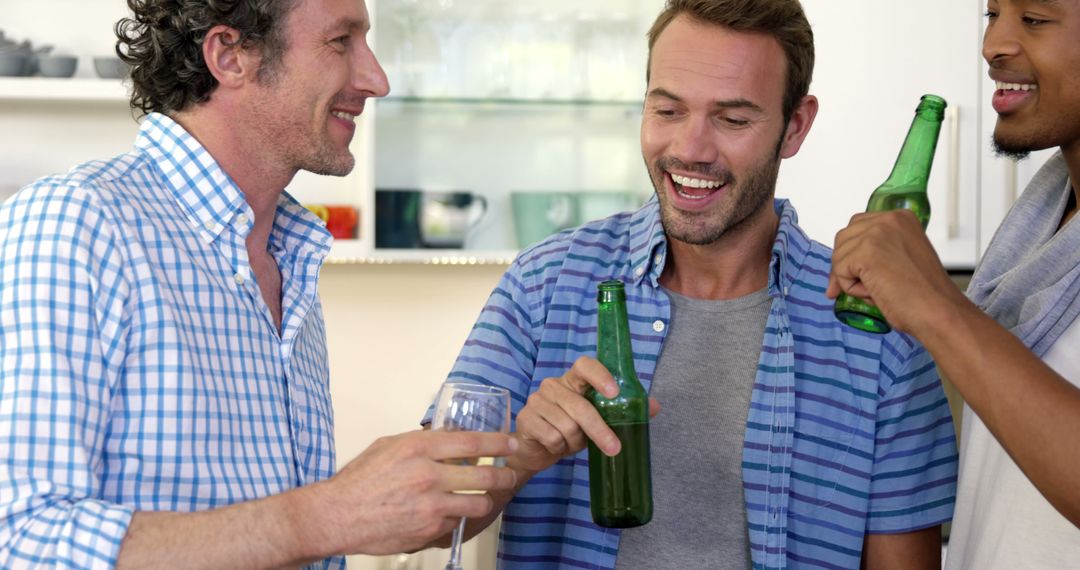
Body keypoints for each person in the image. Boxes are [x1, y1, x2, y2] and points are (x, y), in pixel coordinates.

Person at [425, 0, 959, 567]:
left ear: (795, 126)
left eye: (732, 120)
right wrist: (523, 453)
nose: (691, 150)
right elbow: (429, 519)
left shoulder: (881, 334)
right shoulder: (542, 286)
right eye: (669, 111)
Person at [0, 0, 518, 568]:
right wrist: (331, 513)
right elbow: (20, 538)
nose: (376, 80)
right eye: (340, 42)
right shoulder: (77, 222)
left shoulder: (287, 254)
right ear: (230, 55)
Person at [827, 0, 1080, 568]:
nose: (993, 46)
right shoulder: (1041, 222)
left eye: (1034, 20)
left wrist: (933, 303)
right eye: (992, 15)